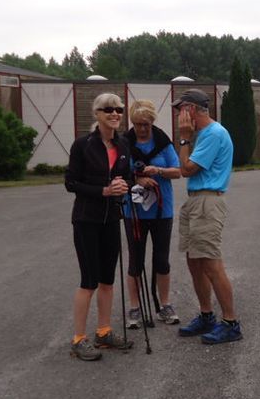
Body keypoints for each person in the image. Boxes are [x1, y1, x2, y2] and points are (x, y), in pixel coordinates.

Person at [64, 93, 135, 361]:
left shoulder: (124, 145)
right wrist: (104, 190)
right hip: (86, 220)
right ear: (97, 113)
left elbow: (126, 177)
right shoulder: (83, 145)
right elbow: (71, 183)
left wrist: (123, 186)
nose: (114, 114)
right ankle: (79, 339)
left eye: (118, 109)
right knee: (89, 281)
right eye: (108, 110)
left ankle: (103, 331)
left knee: (108, 279)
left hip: (111, 219)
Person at [171, 88, 242, 345]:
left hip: (208, 201)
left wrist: (183, 139)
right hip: (196, 201)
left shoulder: (213, 133)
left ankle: (231, 323)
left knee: (211, 263)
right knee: (195, 262)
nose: (178, 114)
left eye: (181, 108)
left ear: (192, 109)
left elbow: (187, 169)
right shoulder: (201, 134)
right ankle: (206, 315)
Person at [122, 99, 182, 327]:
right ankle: (135, 307)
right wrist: (136, 178)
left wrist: (158, 170)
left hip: (161, 211)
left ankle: (164, 305)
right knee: (135, 261)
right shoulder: (124, 144)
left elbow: (177, 172)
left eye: (146, 124)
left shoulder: (163, 142)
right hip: (134, 212)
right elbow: (116, 173)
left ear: (152, 122)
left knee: (162, 260)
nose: (142, 128)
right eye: (138, 124)